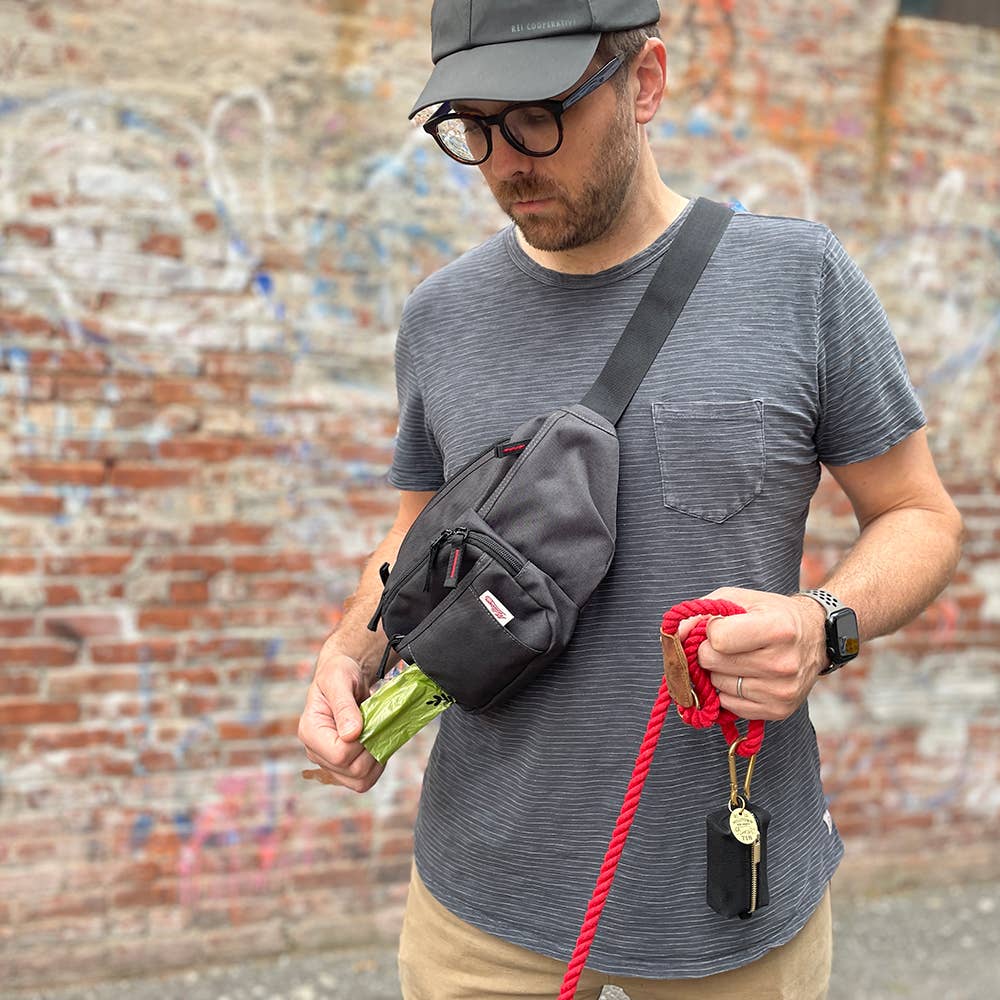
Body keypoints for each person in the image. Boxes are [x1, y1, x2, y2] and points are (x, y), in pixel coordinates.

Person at [298, 2, 964, 997]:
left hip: (725, 907)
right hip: (476, 902)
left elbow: (920, 515)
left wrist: (820, 624)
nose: (505, 163)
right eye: (472, 128)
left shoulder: (799, 279)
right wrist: (350, 656)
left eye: (537, 117)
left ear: (643, 82)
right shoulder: (439, 316)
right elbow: (414, 541)